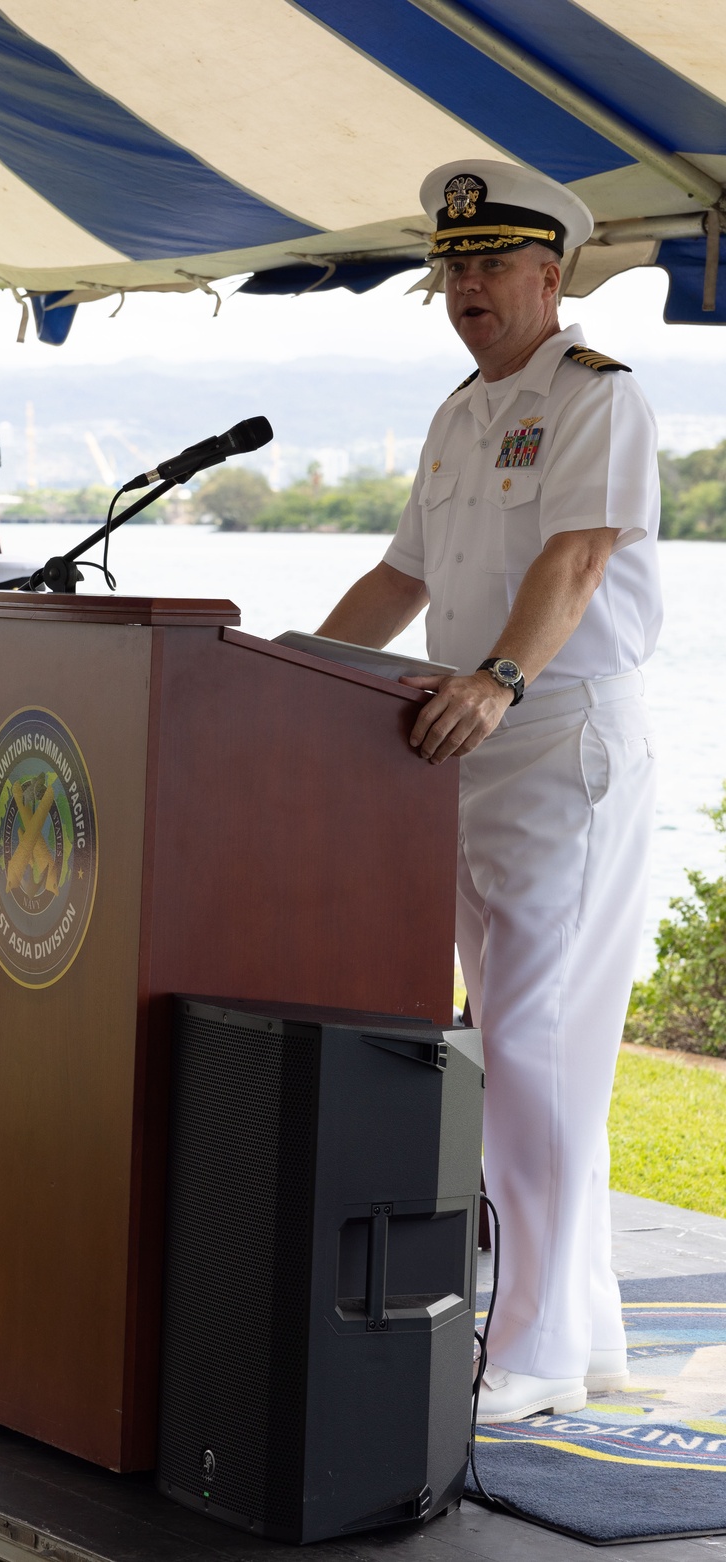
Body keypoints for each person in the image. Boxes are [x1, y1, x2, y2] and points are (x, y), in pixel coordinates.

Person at [317, 160, 661, 1424]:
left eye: (490, 265)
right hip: (460, 736)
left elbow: (576, 555)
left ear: (548, 277)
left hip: (551, 729)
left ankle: (530, 1347)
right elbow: (400, 575)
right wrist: (290, 678)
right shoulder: (460, 412)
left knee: (528, 1041)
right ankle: (591, 1325)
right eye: (452, 268)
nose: (466, 286)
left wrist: (503, 677)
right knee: (535, 1044)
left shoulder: (594, 399)